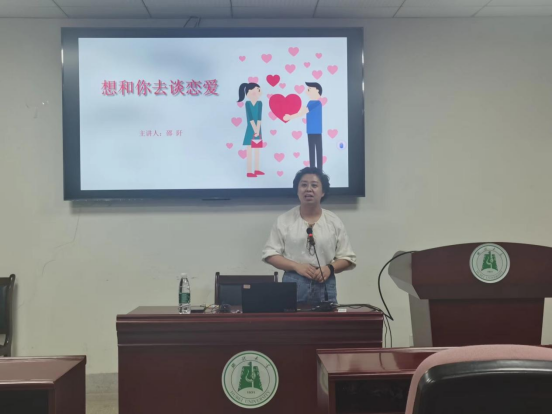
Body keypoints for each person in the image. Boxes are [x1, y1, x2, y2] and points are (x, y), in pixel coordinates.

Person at [261, 167, 356, 304]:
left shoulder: (333, 221)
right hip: (293, 281)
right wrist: (296, 266)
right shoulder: (284, 220)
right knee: (291, 318)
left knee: (328, 318)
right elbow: (270, 254)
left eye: (314, 185)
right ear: (297, 190)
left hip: (325, 282)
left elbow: (347, 258)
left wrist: (330, 268)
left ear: (323, 192)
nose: (308, 189)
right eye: (304, 185)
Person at [283, 82, 323, 169]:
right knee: (311, 151)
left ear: (317, 90)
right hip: (310, 131)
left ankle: (320, 170)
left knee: (318, 151)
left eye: (309, 89)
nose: (306, 92)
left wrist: (290, 117)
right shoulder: (310, 102)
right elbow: (302, 110)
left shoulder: (317, 103)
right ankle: (312, 169)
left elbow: (303, 111)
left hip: (317, 131)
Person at [237, 82, 264, 178]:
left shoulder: (260, 103)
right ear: (249, 92)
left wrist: (258, 129)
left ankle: (257, 169)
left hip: (258, 129)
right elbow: (250, 117)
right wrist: (255, 129)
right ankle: (249, 171)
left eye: (259, 90)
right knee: (249, 150)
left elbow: (259, 117)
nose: (260, 92)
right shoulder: (248, 104)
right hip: (250, 128)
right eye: (258, 90)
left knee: (257, 150)